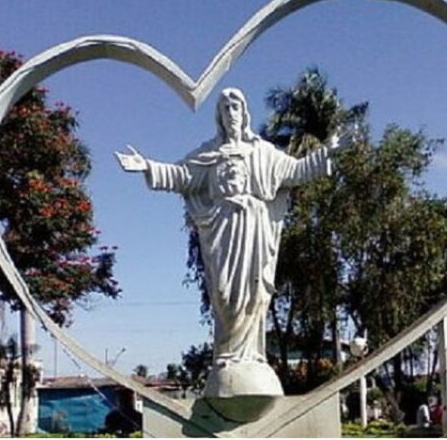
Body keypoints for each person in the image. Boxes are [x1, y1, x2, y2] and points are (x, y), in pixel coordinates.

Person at [115, 87, 355, 398]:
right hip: (223, 228)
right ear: (220, 116)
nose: (231, 113)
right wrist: (147, 166)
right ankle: (226, 358)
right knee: (225, 295)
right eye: (225, 108)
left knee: (255, 293)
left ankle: (253, 358)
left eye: (235, 107)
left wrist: (328, 151)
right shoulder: (208, 154)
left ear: (244, 113)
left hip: (255, 227)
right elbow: (182, 176)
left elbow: (296, 171)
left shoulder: (263, 152)